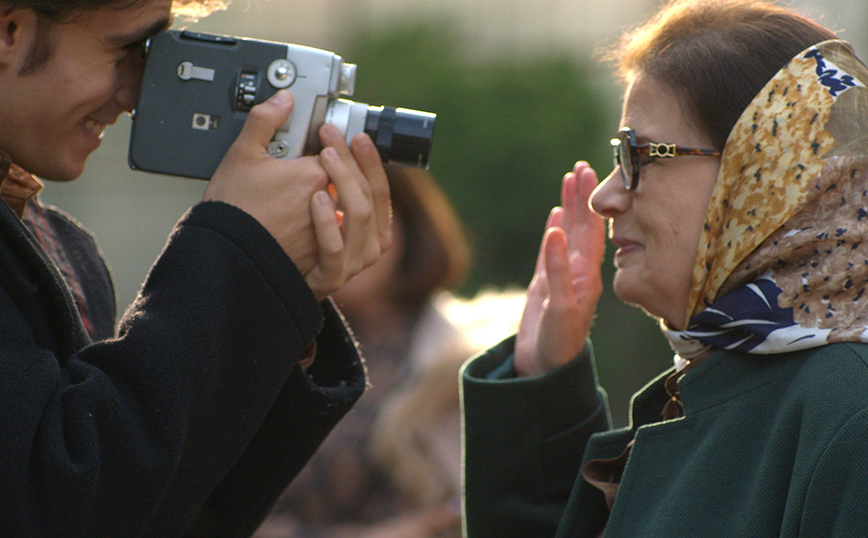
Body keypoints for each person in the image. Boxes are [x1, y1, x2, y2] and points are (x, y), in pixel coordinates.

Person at [461, 0, 868, 536]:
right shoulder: (714, 384)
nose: (604, 197)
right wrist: (542, 381)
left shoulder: (848, 417)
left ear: (767, 175)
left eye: (641, 155)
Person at [0, 0, 391, 536]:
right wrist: (240, 252)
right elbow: (54, 504)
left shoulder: (60, 246)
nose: (135, 93)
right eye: (125, 50)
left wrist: (277, 299)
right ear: (10, 30)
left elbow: (168, 511)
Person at [254, 166, 474, 538]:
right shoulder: (263, 350)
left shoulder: (463, 359)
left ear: (408, 223)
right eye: (320, 216)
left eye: (363, 214)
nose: (340, 235)